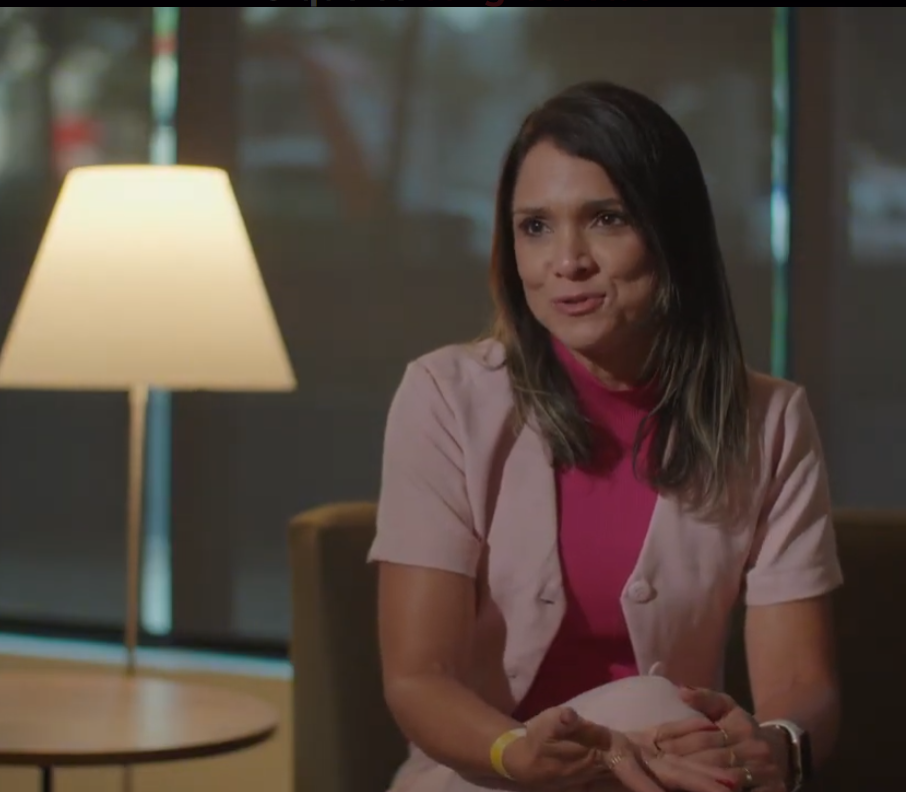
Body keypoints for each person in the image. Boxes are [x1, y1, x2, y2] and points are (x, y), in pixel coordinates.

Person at [368, 81, 841, 792]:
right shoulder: (443, 396)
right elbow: (417, 678)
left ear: (672, 233)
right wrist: (515, 753)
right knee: (655, 706)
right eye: (535, 226)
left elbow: (802, 683)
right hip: (483, 776)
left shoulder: (772, 420)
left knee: (669, 722)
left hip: (678, 773)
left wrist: (775, 743)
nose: (567, 261)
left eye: (606, 219)